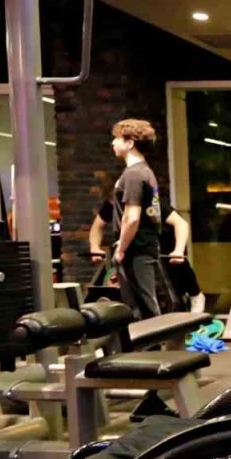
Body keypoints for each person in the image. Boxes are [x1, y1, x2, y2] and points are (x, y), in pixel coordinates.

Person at [91, 198, 205, 313]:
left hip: (163, 239)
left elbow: (181, 223)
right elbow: (97, 225)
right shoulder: (113, 203)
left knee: (174, 266)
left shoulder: (151, 202)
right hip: (137, 244)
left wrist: (178, 250)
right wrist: (94, 247)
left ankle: (195, 294)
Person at [106, 119, 168, 320]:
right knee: (141, 306)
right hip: (142, 246)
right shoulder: (143, 172)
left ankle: (154, 341)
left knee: (144, 308)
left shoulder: (134, 174)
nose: (113, 143)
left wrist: (121, 249)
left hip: (137, 248)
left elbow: (132, 218)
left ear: (130, 143)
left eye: (117, 138)